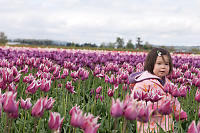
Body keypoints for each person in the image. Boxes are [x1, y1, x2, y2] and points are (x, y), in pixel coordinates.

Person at [129, 48, 187, 133]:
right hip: (148, 126)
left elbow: (174, 101)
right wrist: (154, 107)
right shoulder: (143, 82)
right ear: (151, 64)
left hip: (167, 125)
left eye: (166, 64)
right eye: (159, 63)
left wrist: (179, 113)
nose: (163, 67)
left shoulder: (168, 83)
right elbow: (134, 102)